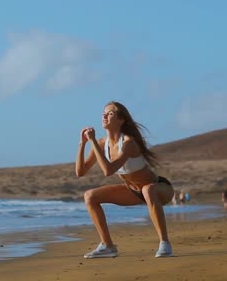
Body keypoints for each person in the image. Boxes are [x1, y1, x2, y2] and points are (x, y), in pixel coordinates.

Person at [75, 101, 175, 258]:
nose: (104, 116)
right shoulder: (103, 143)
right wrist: (83, 143)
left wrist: (93, 141)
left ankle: (165, 244)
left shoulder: (128, 143)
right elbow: (80, 172)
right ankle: (108, 246)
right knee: (90, 196)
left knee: (147, 189)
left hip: (159, 188)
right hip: (133, 191)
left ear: (121, 120)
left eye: (110, 113)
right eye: (104, 113)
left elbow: (108, 170)